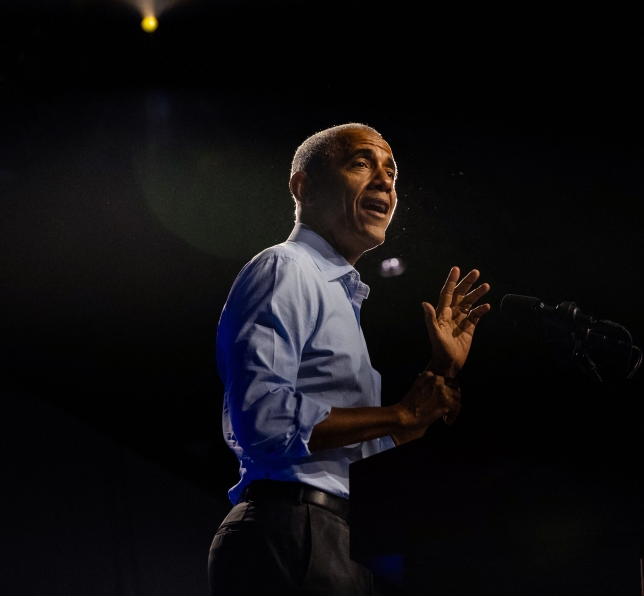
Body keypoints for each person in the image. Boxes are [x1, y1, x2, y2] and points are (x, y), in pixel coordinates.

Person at [207, 123, 491, 596]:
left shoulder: (341, 297)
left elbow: (365, 457)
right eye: (362, 163)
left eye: (392, 173)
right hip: (294, 530)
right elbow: (264, 421)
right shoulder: (287, 268)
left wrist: (439, 376)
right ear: (304, 185)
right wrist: (400, 412)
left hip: (341, 538)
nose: (385, 181)